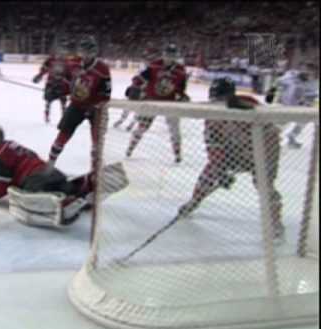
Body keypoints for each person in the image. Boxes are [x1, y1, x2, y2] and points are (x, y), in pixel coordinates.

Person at [178, 78, 284, 242]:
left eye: (221, 98)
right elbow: (213, 144)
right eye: (215, 99)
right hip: (235, 152)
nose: (217, 102)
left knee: (264, 185)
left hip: (264, 152)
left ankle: (276, 223)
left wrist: (260, 156)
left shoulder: (248, 103)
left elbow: (271, 132)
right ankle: (194, 201)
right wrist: (220, 170)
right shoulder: (212, 116)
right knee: (209, 173)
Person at [0, 123, 95, 226]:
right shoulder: (12, 145)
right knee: (60, 185)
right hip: (50, 171)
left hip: (34, 178)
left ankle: (65, 203)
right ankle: (80, 188)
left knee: (33, 196)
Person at [47, 35, 111, 172]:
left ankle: (95, 172)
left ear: (95, 52)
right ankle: (49, 166)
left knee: (96, 142)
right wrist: (58, 89)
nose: (86, 55)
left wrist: (94, 106)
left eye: (89, 52)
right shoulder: (73, 64)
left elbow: (106, 93)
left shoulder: (102, 69)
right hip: (76, 106)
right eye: (83, 52)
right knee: (62, 136)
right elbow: (66, 82)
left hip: (95, 109)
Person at [125, 43, 189, 163]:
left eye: (172, 55)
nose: (169, 58)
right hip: (151, 100)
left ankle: (177, 154)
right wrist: (134, 87)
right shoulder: (155, 66)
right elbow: (139, 78)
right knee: (142, 127)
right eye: (167, 55)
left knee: (174, 128)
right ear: (163, 55)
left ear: (176, 56)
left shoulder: (180, 71)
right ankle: (130, 148)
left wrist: (182, 96)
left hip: (170, 103)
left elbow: (181, 89)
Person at [265, 62, 318, 148]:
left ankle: (291, 137)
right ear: (301, 69)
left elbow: (311, 97)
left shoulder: (312, 83)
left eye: (310, 72)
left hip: (298, 108)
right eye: (306, 71)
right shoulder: (290, 77)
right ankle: (270, 139)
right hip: (284, 106)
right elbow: (277, 82)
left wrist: (307, 103)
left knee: (303, 121)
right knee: (279, 125)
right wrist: (270, 94)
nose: (308, 74)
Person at [32, 45, 71, 124]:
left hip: (62, 85)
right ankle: (47, 116)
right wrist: (39, 76)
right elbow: (44, 69)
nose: (61, 55)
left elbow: (70, 74)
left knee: (63, 102)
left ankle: (64, 118)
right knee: (48, 101)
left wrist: (69, 81)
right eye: (60, 52)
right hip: (51, 84)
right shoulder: (51, 60)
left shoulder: (68, 62)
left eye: (63, 53)